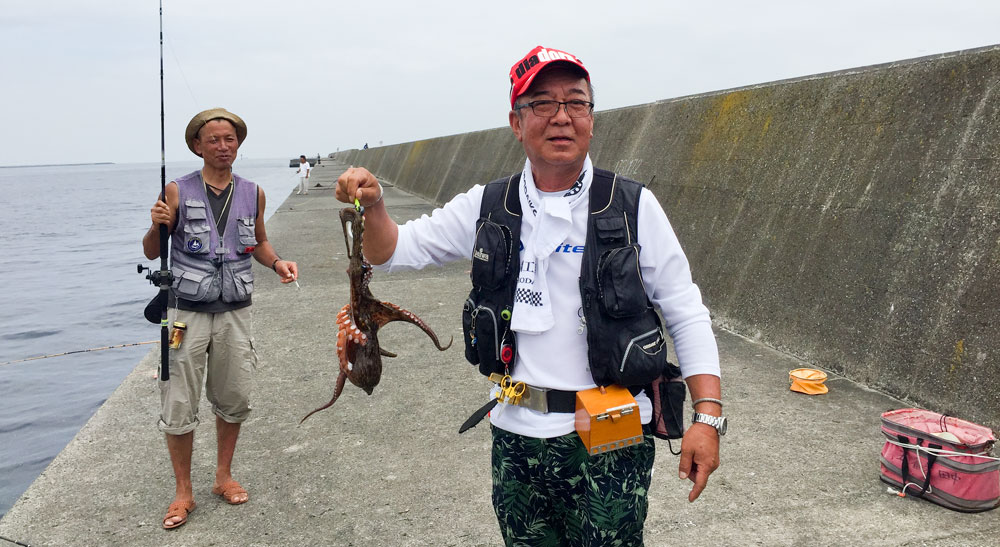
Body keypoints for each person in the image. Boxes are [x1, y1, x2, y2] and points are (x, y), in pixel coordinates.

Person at [336, 46, 724, 545]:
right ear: (517, 123)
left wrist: (707, 417)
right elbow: (393, 250)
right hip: (516, 432)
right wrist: (374, 204)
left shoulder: (633, 206)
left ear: (590, 118)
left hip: (614, 437)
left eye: (576, 103)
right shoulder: (487, 204)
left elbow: (686, 311)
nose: (562, 116)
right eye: (542, 103)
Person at [142, 107, 299, 530]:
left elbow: (260, 242)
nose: (223, 146)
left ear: (238, 144)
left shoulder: (254, 192)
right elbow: (151, 252)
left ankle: (223, 477)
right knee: (178, 401)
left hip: (235, 312)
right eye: (213, 140)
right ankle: (183, 491)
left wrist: (278, 263)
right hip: (185, 313)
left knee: (234, 398)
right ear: (197, 145)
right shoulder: (175, 191)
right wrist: (156, 225)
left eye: (230, 139)